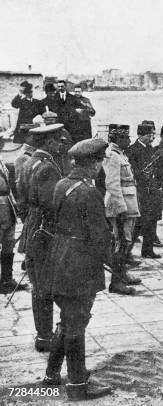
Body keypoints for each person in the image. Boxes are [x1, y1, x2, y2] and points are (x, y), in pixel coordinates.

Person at [43, 138, 112, 400]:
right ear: (93, 164)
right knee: (76, 323)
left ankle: (51, 376)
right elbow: (100, 237)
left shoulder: (62, 184)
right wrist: (111, 262)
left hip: (59, 260)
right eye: (99, 161)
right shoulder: (89, 193)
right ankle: (77, 386)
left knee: (68, 318)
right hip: (80, 266)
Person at [21, 124, 66, 351]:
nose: (60, 145)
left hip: (32, 227)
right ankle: (45, 337)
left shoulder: (29, 162)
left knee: (38, 284)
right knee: (44, 286)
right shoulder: (47, 167)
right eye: (58, 141)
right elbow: (51, 204)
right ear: (49, 142)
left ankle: (43, 335)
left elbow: (21, 197)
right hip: (44, 232)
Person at [103, 124, 141, 295]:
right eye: (126, 137)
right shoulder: (113, 156)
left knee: (125, 242)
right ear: (117, 139)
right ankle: (116, 282)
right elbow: (112, 183)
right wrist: (120, 208)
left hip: (128, 203)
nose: (129, 140)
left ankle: (122, 275)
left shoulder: (119, 155)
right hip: (121, 206)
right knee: (121, 243)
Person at [126, 123, 163, 258]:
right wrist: (142, 174)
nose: (152, 137)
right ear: (140, 135)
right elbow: (131, 171)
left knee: (152, 220)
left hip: (151, 191)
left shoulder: (150, 149)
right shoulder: (132, 150)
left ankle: (148, 250)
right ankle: (126, 254)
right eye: (149, 135)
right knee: (138, 223)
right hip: (139, 191)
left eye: (153, 134)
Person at [0, 133, 29, 294]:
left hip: (6, 205)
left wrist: (15, 205)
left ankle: (7, 279)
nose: (2, 144)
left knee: (8, 243)